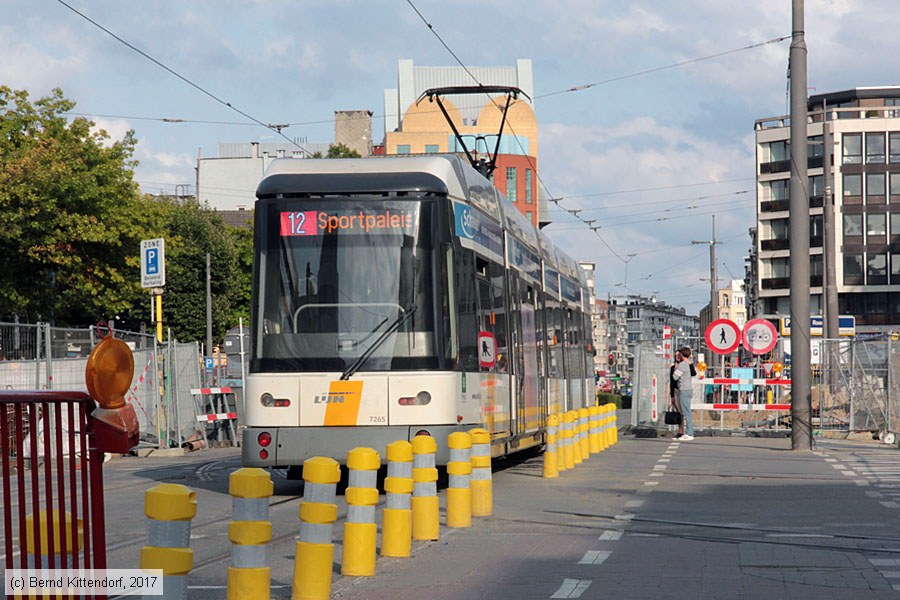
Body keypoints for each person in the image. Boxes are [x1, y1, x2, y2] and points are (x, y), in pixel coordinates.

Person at [672, 347, 696, 440]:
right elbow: (693, 373)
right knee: (687, 411)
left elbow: (675, 377)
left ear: (682, 354)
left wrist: (676, 368)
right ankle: (688, 432)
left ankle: (689, 433)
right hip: (689, 389)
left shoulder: (682, 365)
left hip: (684, 389)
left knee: (686, 412)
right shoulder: (689, 364)